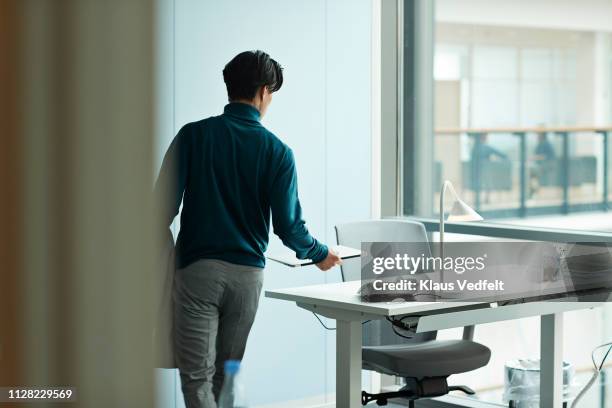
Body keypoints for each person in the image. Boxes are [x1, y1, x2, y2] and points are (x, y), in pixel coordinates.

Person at [155, 50, 342, 408]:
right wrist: (321, 254)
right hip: (247, 279)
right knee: (227, 378)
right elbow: (290, 227)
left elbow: (157, 212)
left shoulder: (193, 136)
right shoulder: (277, 151)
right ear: (263, 91)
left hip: (197, 274)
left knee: (196, 378)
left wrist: (167, 262)